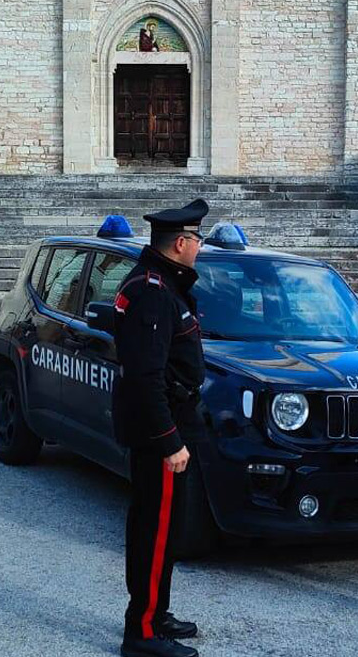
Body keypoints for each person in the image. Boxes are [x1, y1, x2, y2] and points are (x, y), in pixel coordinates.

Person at [113, 199, 210, 657]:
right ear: (180, 244)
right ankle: (144, 632)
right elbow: (145, 374)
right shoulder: (153, 290)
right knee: (154, 530)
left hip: (170, 423)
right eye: (197, 240)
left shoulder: (163, 283)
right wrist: (170, 440)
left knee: (165, 529)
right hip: (160, 434)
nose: (199, 248)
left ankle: (156, 610)